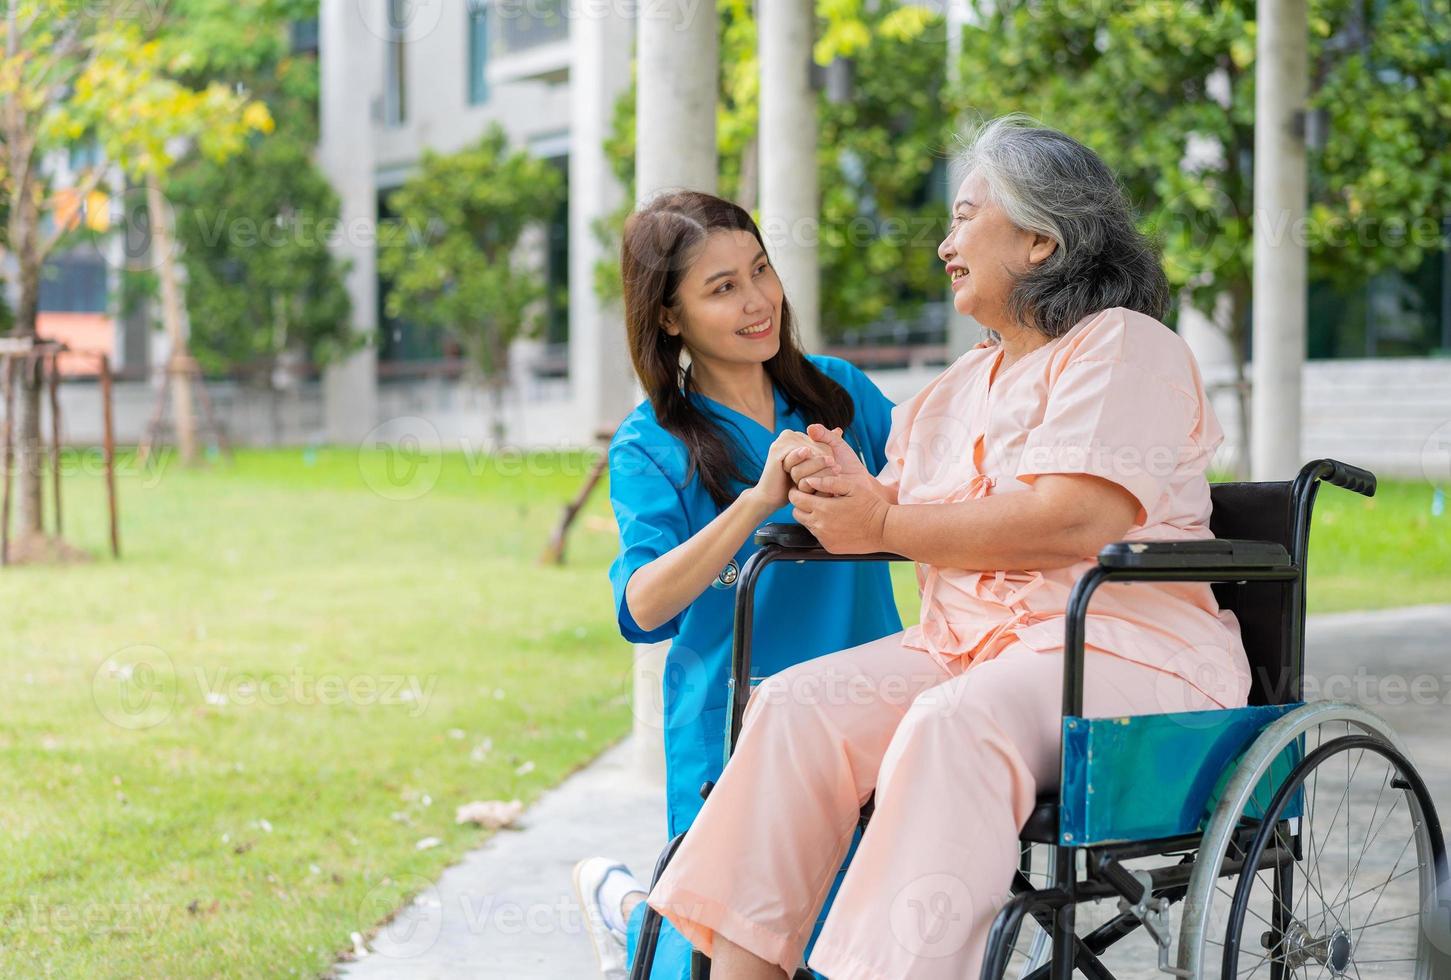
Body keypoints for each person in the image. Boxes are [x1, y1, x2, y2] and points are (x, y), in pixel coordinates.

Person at [644, 116, 1252, 980]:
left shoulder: (1123, 346)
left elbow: (1072, 519)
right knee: (794, 706)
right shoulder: (963, 380)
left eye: (965, 217)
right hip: (968, 650)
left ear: (1040, 239)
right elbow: (900, 508)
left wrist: (885, 524)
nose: (943, 243)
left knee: (950, 723)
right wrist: (841, 490)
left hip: (1118, 650)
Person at [573, 191, 904, 979]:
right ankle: (625, 913)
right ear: (670, 317)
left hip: (864, 712)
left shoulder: (840, 394)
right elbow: (642, 608)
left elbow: (935, 485)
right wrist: (759, 501)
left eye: (760, 271)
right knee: (719, 952)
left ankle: (630, 911)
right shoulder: (650, 443)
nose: (758, 301)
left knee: (835, 950)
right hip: (732, 731)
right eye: (722, 288)